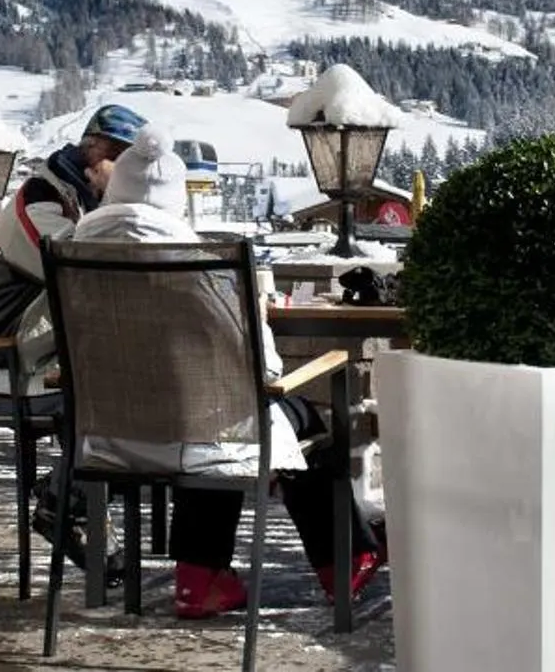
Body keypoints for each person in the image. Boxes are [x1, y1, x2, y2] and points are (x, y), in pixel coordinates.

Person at [68, 127, 383, 617]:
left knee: (209, 414)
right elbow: (264, 367)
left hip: (107, 437)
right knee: (280, 416)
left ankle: (201, 578)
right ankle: (344, 559)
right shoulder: (195, 263)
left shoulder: (75, 252)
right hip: (198, 434)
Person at [0, 103, 146, 358]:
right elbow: (83, 274)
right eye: (116, 155)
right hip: (8, 359)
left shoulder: (86, 198)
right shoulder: (40, 196)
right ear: (89, 147)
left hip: (62, 354)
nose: (123, 167)